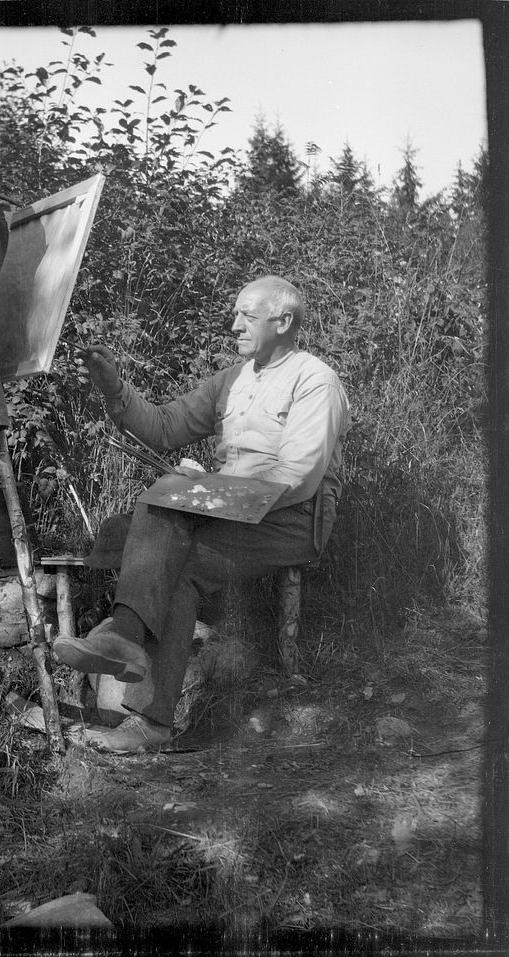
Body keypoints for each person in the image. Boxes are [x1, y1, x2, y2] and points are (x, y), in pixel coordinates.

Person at [54, 276, 351, 753]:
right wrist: (115, 389)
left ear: (284, 321)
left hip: (291, 520)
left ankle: (126, 639)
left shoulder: (315, 380)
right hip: (232, 512)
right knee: (172, 558)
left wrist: (208, 492)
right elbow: (165, 426)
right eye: (235, 314)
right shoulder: (232, 380)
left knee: (164, 501)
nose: (233, 324)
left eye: (246, 316)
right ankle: (150, 719)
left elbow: (298, 477)